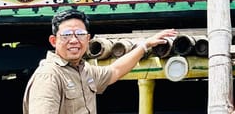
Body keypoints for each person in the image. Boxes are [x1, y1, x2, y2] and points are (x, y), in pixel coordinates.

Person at [22, 9, 177, 114]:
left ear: (88, 39)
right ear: (54, 40)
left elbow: (115, 71)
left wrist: (145, 45)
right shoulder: (49, 76)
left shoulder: (83, 70)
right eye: (67, 34)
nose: (74, 40)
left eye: (80, 34)